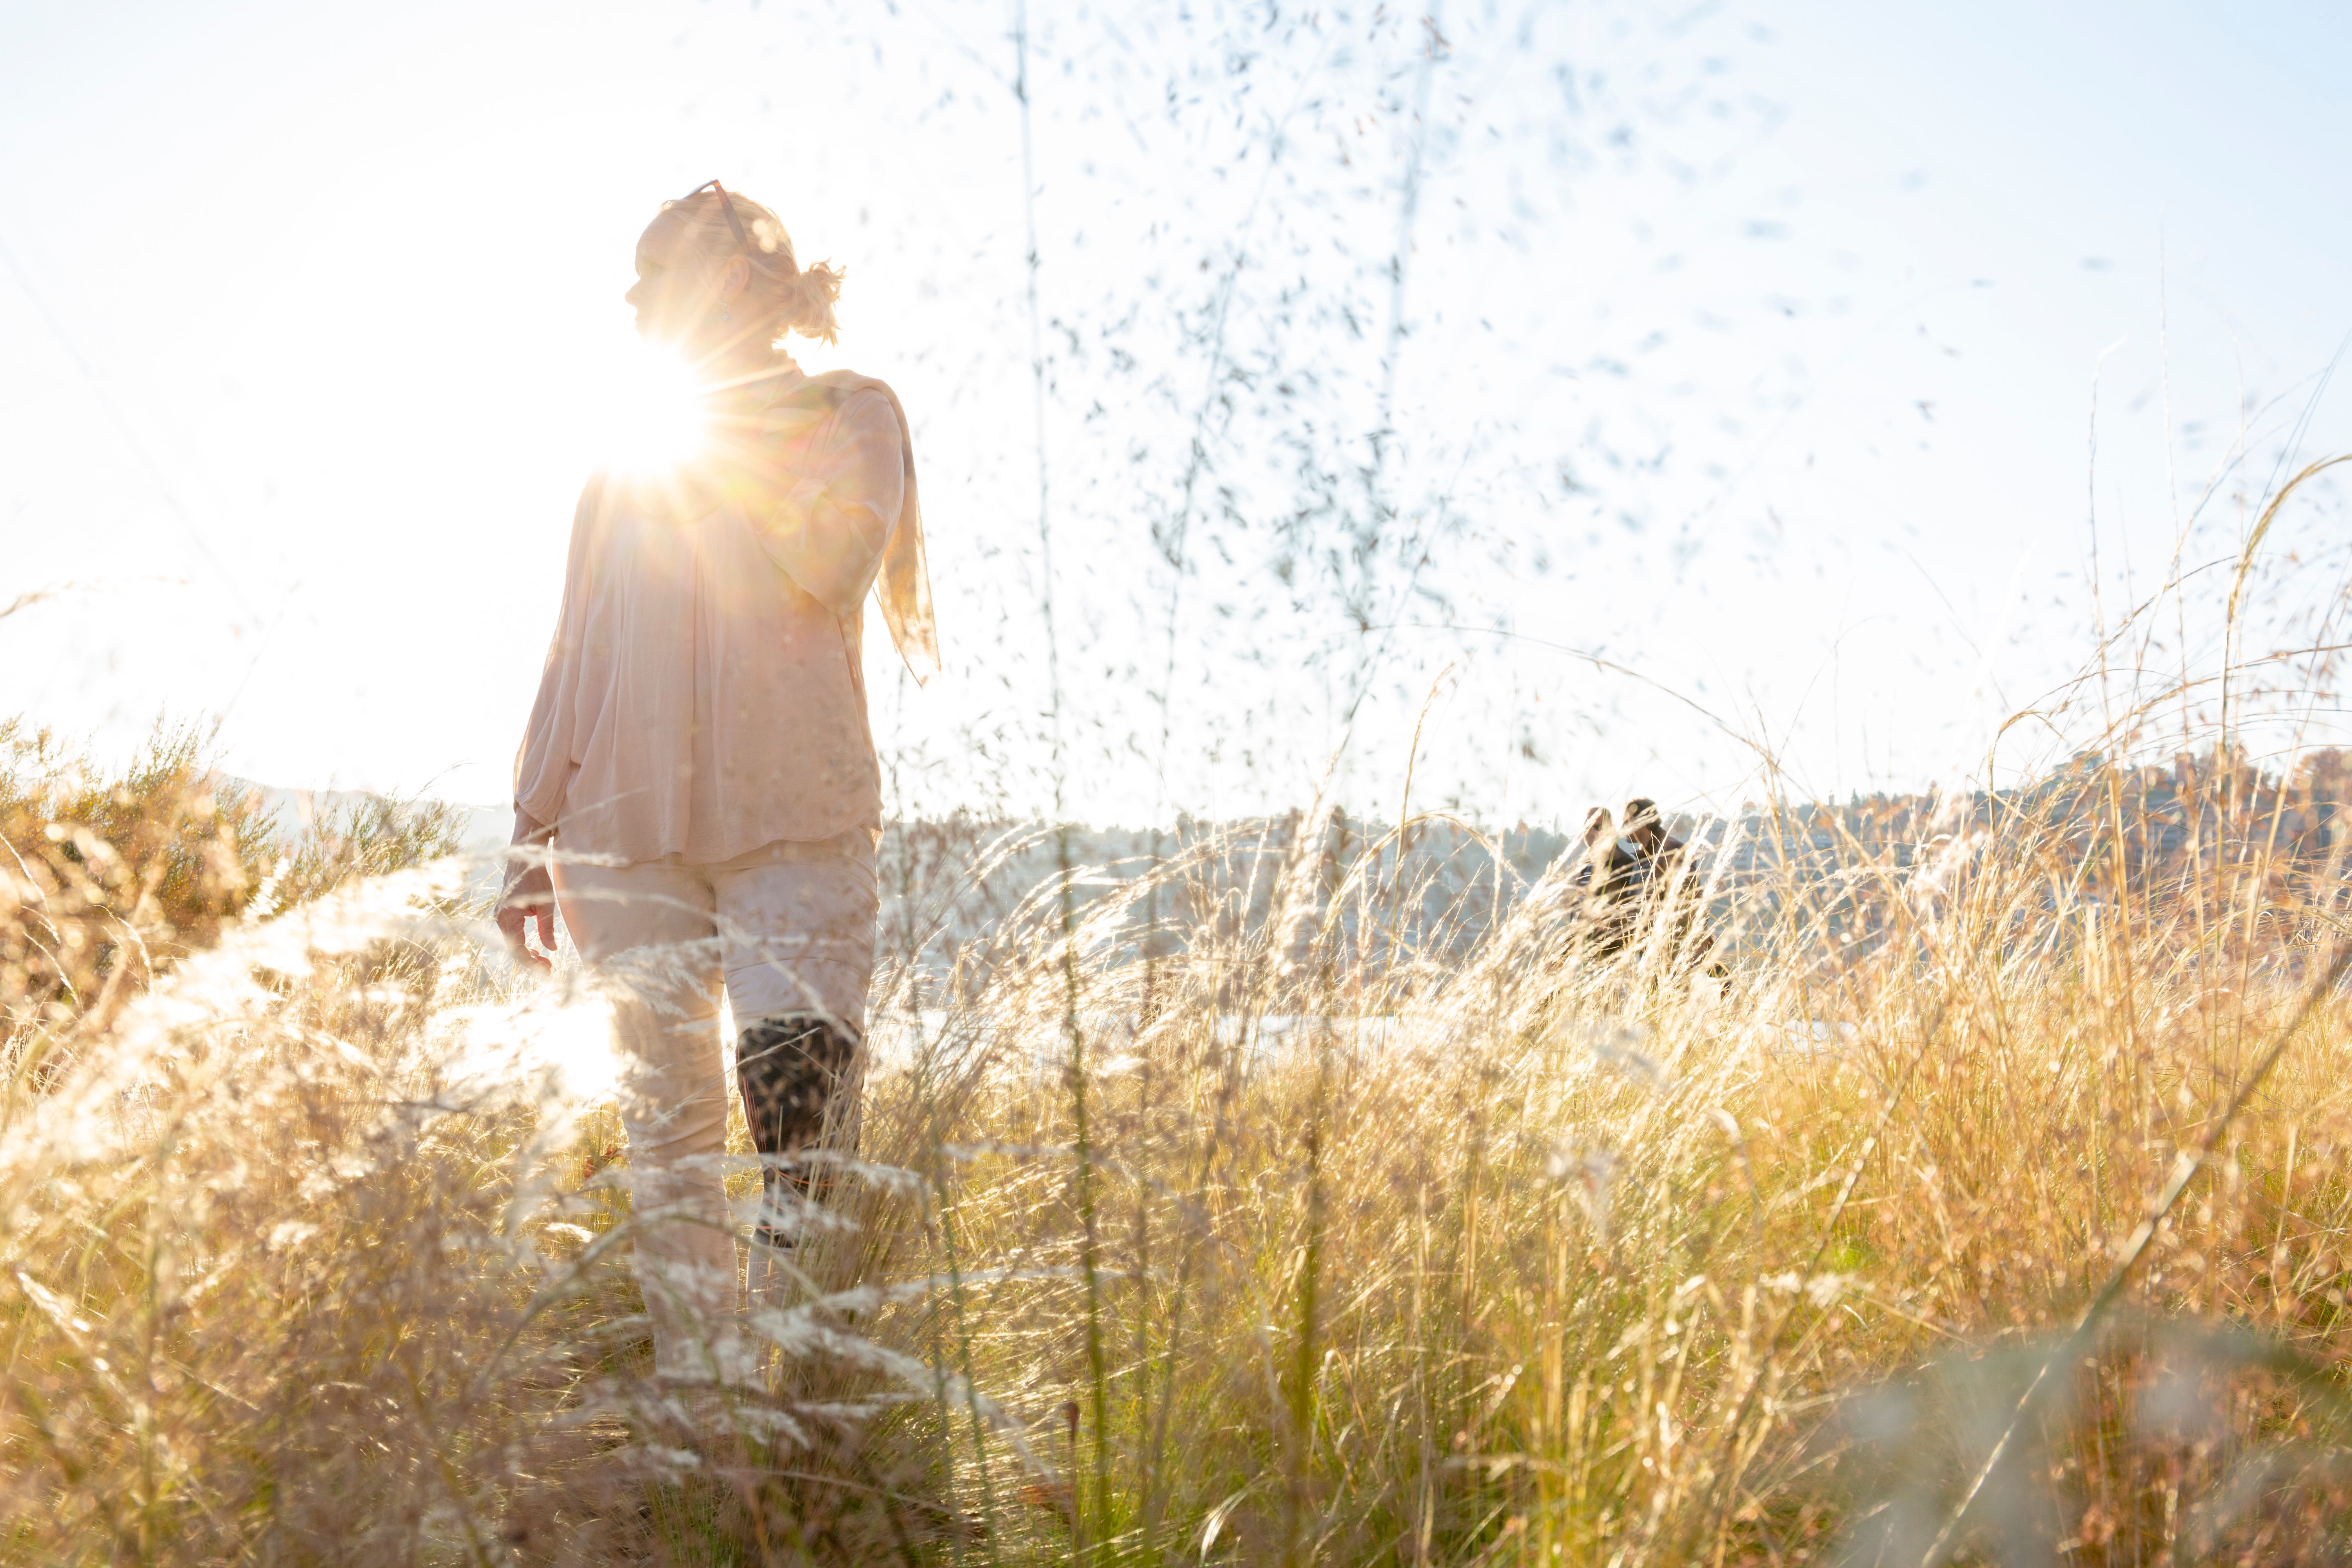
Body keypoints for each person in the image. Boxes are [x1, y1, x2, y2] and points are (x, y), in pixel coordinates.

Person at [496, 180, 937, 1392]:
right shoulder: (619, 471)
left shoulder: (852, 413)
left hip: (794, 814)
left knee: (800, 1111)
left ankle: (801, 1409)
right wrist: (532, 828)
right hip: (623, 831)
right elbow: (574, 652)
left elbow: (832, 566)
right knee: (668, 1138)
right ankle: (707, 1415)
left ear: (737, 283)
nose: (634, 300)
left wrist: (735, 432)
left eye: (658, 276)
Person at [1623, 796, 1723, 977]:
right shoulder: (1642, 856)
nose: (1623, 829)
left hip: (1670, 948)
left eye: (1627, 822)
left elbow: (1691, 898)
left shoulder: (1671, 851)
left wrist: (1695, 939)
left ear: (1642, 821)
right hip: (1649, 948)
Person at [1570, 806, 1646, 959]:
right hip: (1585, 956)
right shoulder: (1584, 866)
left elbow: (1632, 915)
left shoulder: (1627, 865)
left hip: (1614, 956)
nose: (1592, 832)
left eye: (1597, 827)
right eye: (1588, 827)